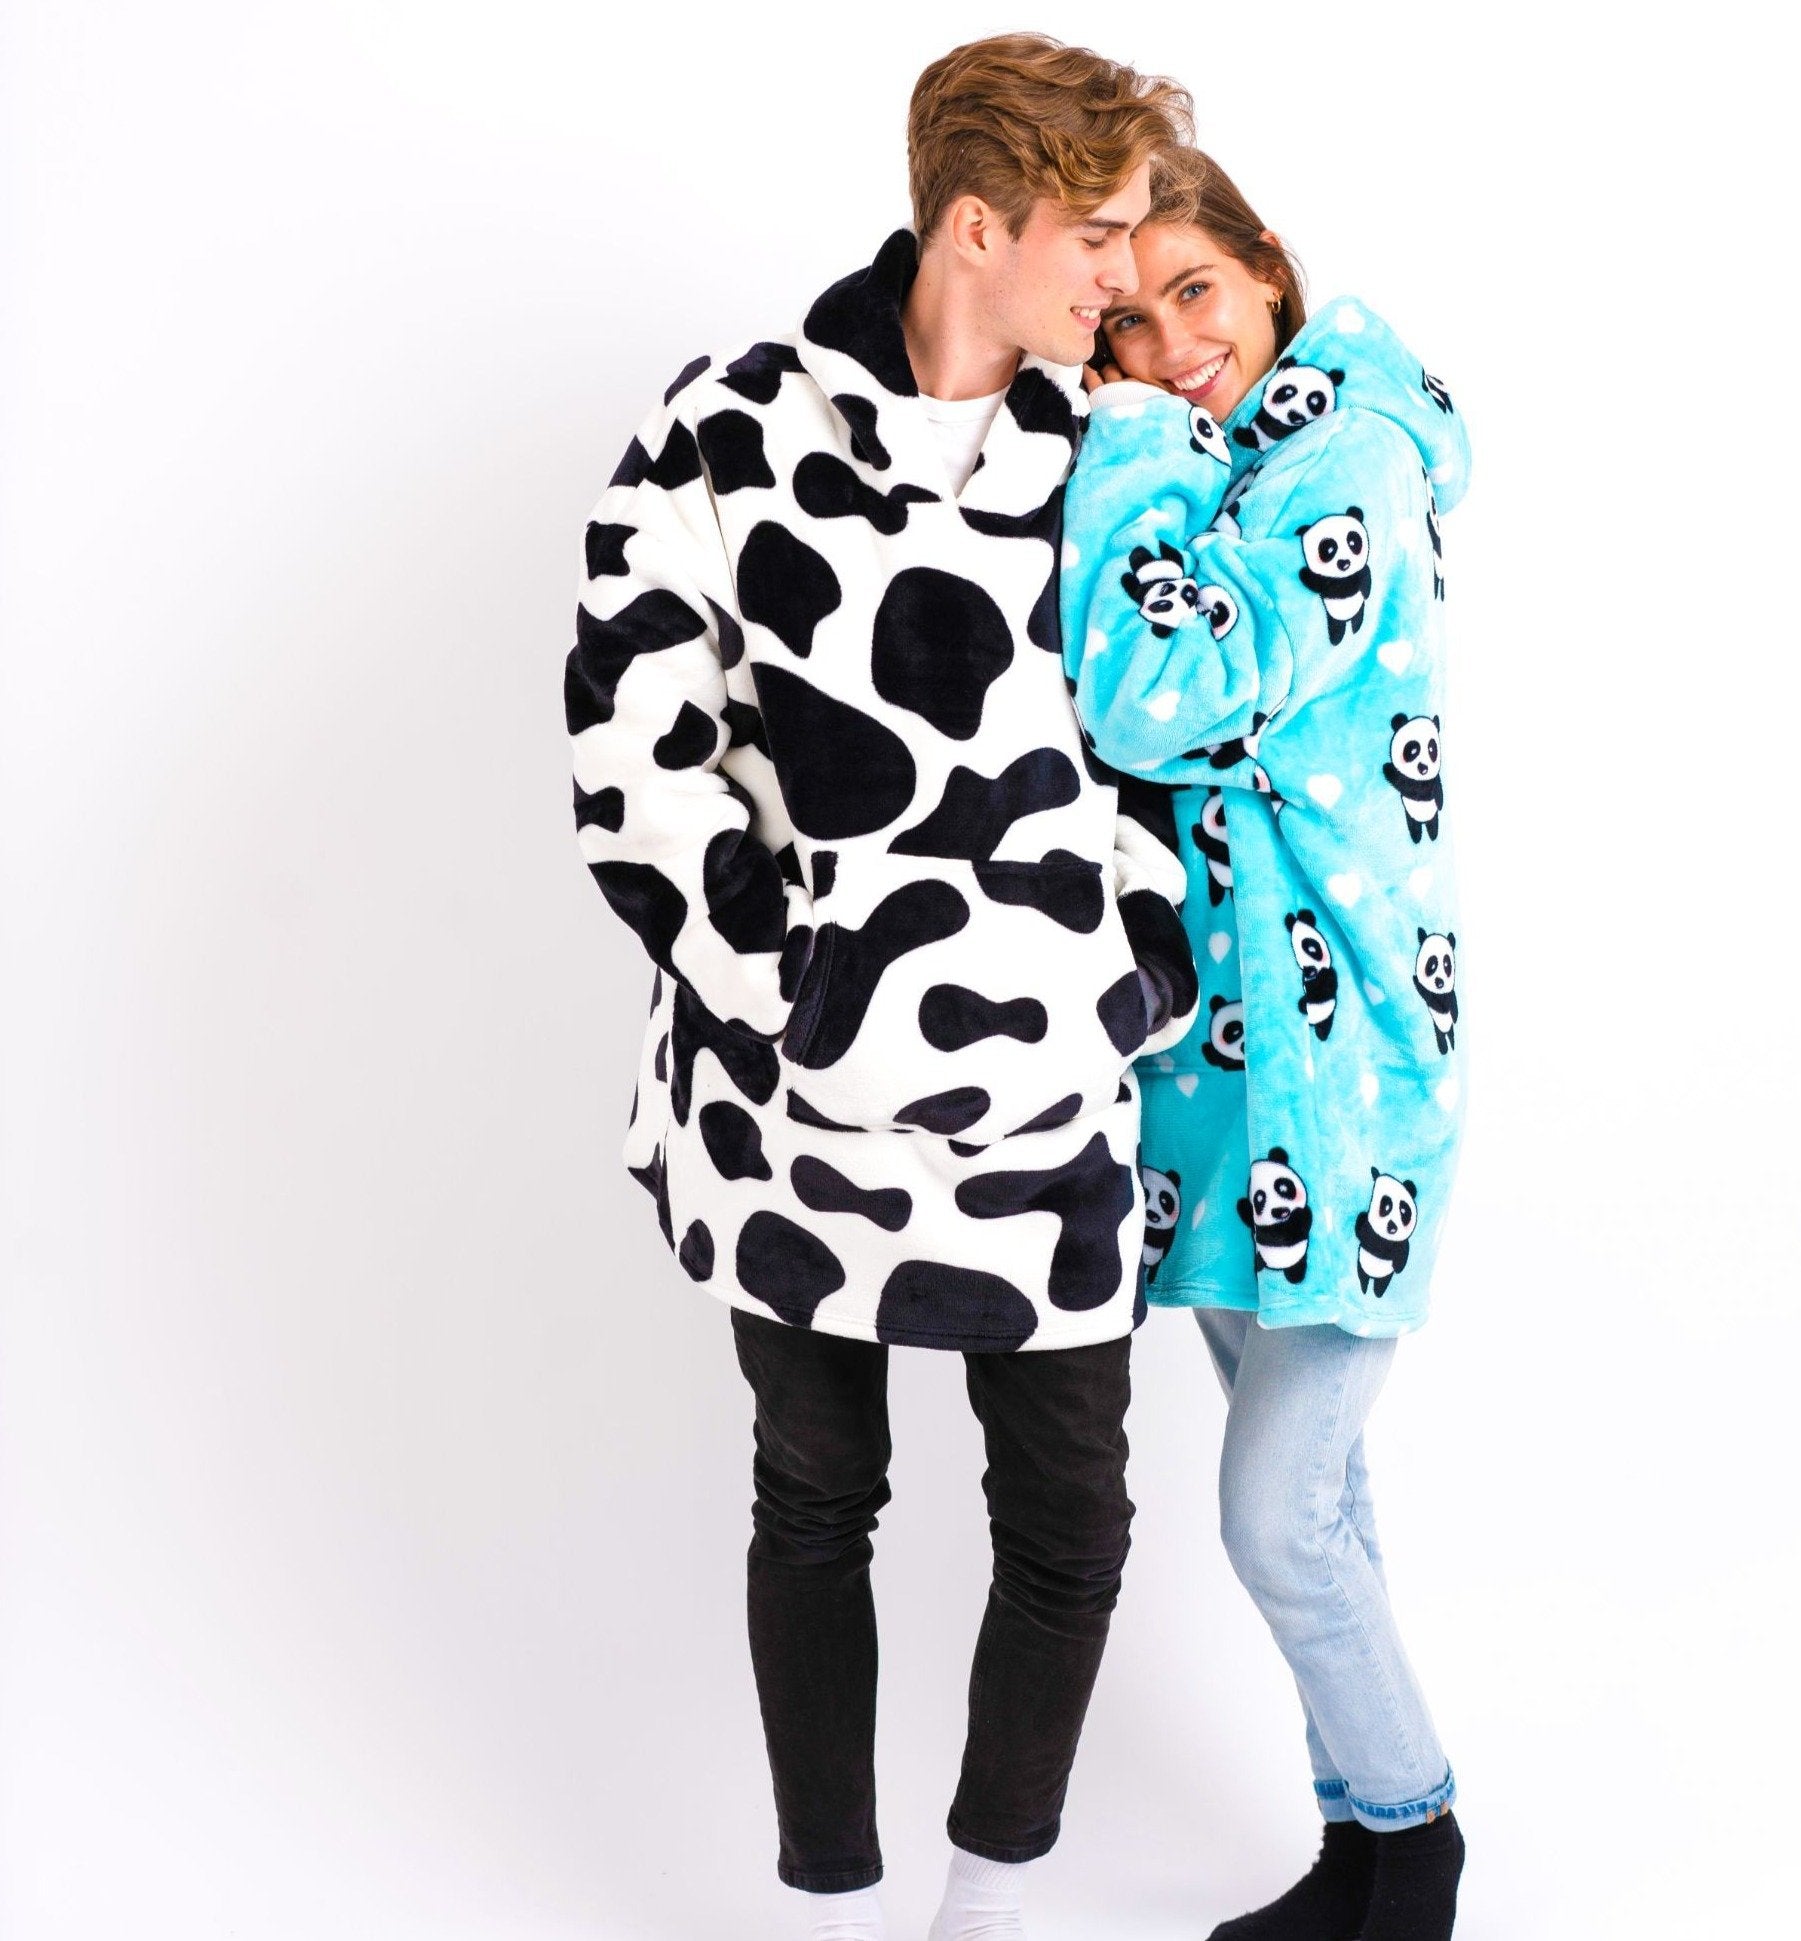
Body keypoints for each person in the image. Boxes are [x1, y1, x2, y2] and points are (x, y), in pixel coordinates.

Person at [562, 36, 1203, 1941]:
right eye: (1098, 233)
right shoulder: (725, 430)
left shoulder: (1120, 456)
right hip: (788, 1105)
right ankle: (831, 1908)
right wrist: (796, 985)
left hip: (1050, 1102)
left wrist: (1130, 976)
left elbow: (1179, 748)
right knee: (815, 1490)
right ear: (975, 226)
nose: (1125, 273)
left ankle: (986, 1908)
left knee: (1072, 1517)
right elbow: (634, 745)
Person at [1058, 150, 1474, 1941]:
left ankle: (1419, 1839)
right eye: (1126, 331)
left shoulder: (1340, 462)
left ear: (1269, 273)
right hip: (1221, 1085)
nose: (1167, 350)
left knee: (1273, 1517)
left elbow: (1154, 692)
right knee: (1324, 1501)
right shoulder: (1227, 462)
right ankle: (1359, 1848)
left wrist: (1122, 448)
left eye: (1196, 296)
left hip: (1342, 1081)